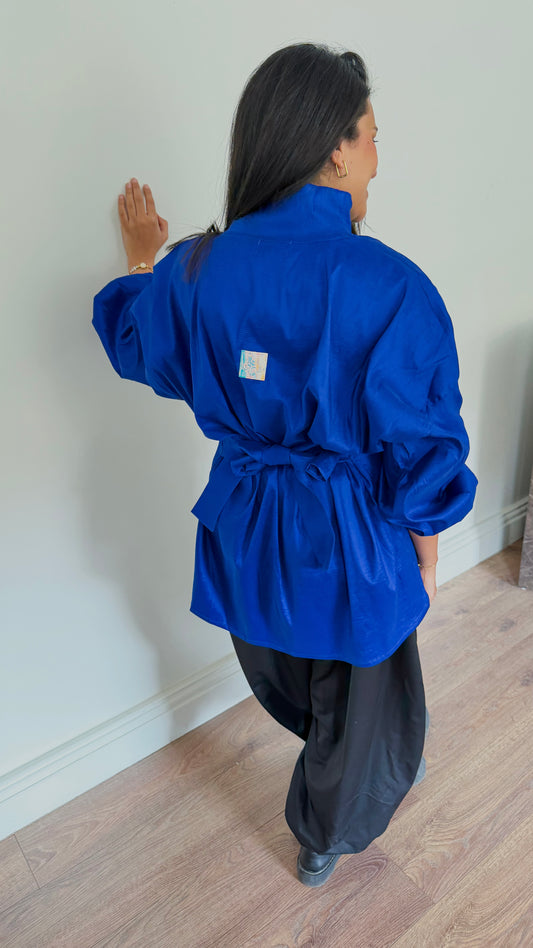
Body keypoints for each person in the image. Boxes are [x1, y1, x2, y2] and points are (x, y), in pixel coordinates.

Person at [92, 42, 478, 887]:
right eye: (372, 137)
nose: (376, 159)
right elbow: (421, 453)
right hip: (349, 544)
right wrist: (425, 557)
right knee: (369, 706)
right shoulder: (388, 286)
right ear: (336, 147)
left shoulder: (195, 269)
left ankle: (342, 790)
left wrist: (144, 258)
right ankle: (324, 833)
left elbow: (134, 341)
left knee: (296, 678)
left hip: (243, 533)